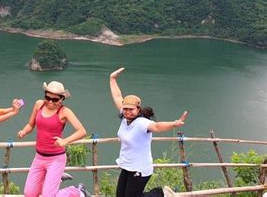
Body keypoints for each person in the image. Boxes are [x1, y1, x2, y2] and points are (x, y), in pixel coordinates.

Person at [108, 68, 189, 197]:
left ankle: (161, 193)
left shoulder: (141, 123)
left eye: (131, 109)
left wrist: (174, 123)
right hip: (127, 165)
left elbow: (157, 126)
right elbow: (118, 96)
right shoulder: (124, 118)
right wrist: (112, 79)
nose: (127, 111)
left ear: (138, 109)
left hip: (140, 168)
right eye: (125, 109)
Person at [18, 81, 90, 197]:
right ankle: (56, 178)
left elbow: (82, 131)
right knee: (29, 193)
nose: (50, 101)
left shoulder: (64, 111)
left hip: (56, 159)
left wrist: (64, 141)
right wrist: (24, 131)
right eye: (47, 97)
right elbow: (31, 124)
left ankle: (78, 191)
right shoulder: (39, 105)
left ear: (61, 99)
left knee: (48, 196)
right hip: (39, 157)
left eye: (54, 99)